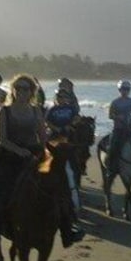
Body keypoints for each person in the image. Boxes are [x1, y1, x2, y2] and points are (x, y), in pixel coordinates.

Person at [0, 74, 48, 254]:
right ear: (12, 90)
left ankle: (68, 227)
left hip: (32, 154)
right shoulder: (4, 111)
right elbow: (1, 138)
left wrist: (43, 152)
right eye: (17, 88)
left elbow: (42, 136)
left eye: (25, 89)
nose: (21, 91)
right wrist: (20, 151)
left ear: (31, 92)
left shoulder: (36, 111)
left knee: (60, 185)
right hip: (9, 155)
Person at [45, 88, 86, 244]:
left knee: (75, 166)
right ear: (56, 98)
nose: (61, 99)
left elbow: (77, 119)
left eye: (64, 97)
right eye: (59, 96)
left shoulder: (70, 109)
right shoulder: (52, 109)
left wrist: (71, 125)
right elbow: (46, 121)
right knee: (45, 164)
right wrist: (56, 128)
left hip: (68, 141)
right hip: (54, 140)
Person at [106, 79, 131, 174]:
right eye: (123, 89)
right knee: (113, 146)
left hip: (129, 128)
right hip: (118, 128)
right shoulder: (115, 102)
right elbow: (110, 115)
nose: (125, 91)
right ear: (119, 90)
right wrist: (118, 117)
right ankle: (109, 168)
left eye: (127, 89)